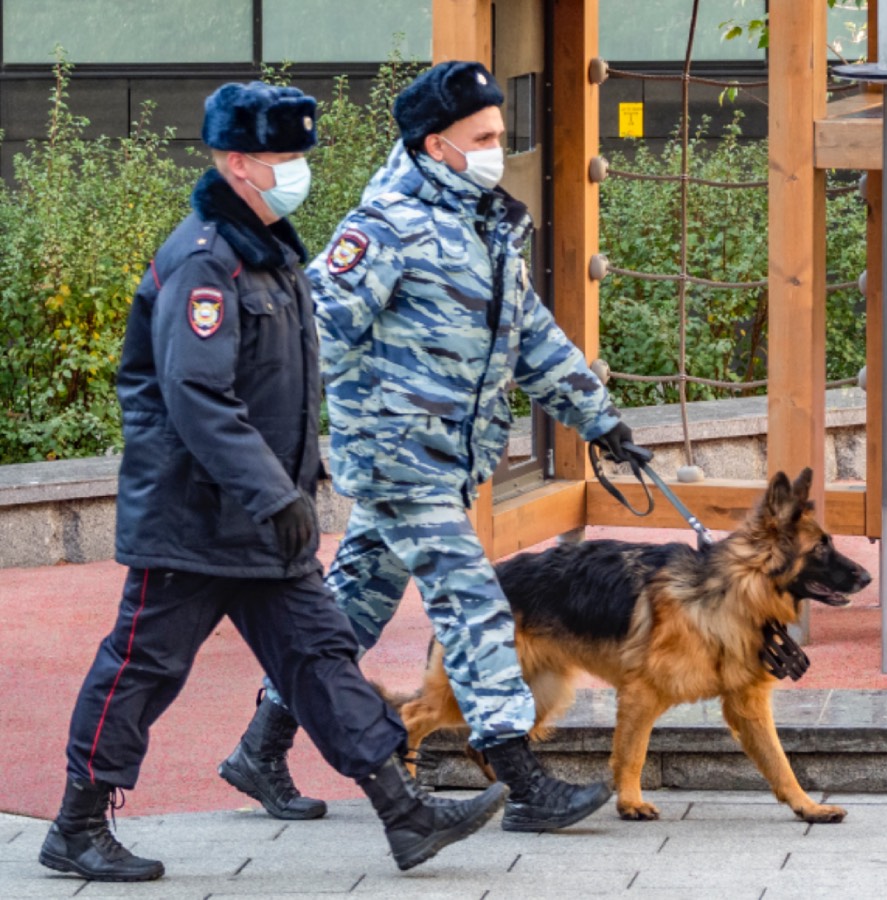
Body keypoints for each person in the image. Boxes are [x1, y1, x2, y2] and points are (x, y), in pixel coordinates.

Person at [38, 81, 507, 883]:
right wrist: (274, 493)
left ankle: (404, 813)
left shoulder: (273, 252)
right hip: (194, 519)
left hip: (263, 516)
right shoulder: (202, 261)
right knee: (142, 667)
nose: (296, 169)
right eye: (281, 156)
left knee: (322, 657)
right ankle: (77, 825)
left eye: (299, 154)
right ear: (234, 161)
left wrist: (292, 486)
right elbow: (196, 396)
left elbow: (281, 387)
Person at [224, 61, 647, 833]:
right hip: (397, 460)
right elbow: (308, 329)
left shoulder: (484, 223)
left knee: (346, 613)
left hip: (448, 462)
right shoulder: (383, 227)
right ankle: (522, 778)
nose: (498, 146)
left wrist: (601, 421)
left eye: (499, 133)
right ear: (435, 144)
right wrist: (264, 439)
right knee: (476, 604)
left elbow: (533, 338)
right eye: (482, 136)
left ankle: (261, 746)